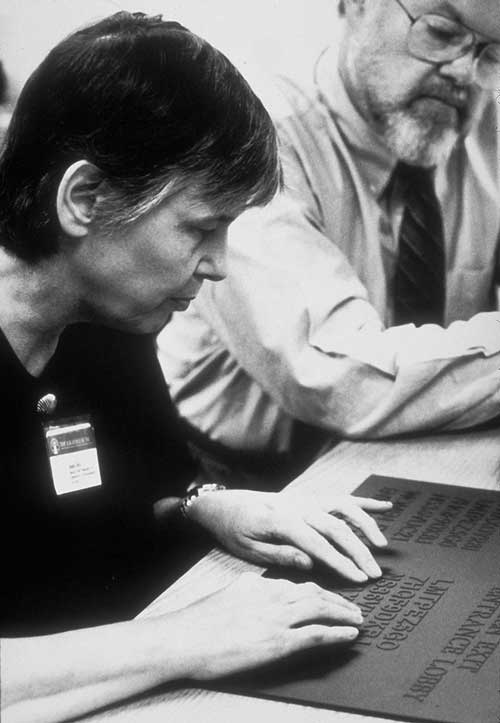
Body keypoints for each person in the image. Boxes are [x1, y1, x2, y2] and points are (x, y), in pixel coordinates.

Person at [0, 12, 392, 723]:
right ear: (84, 200)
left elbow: (133, 482)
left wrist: (207, 503)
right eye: (199, 227)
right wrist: (183, 641)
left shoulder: (108, 318)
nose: (215, 264)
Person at [158, 0, 500, 479]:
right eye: (441, 33)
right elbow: (333, 378)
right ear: (356, 5)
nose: (465, 72)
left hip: (432, 444)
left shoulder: (487, 130)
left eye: (491, 55)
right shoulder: (257, 137)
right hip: (246, 479)